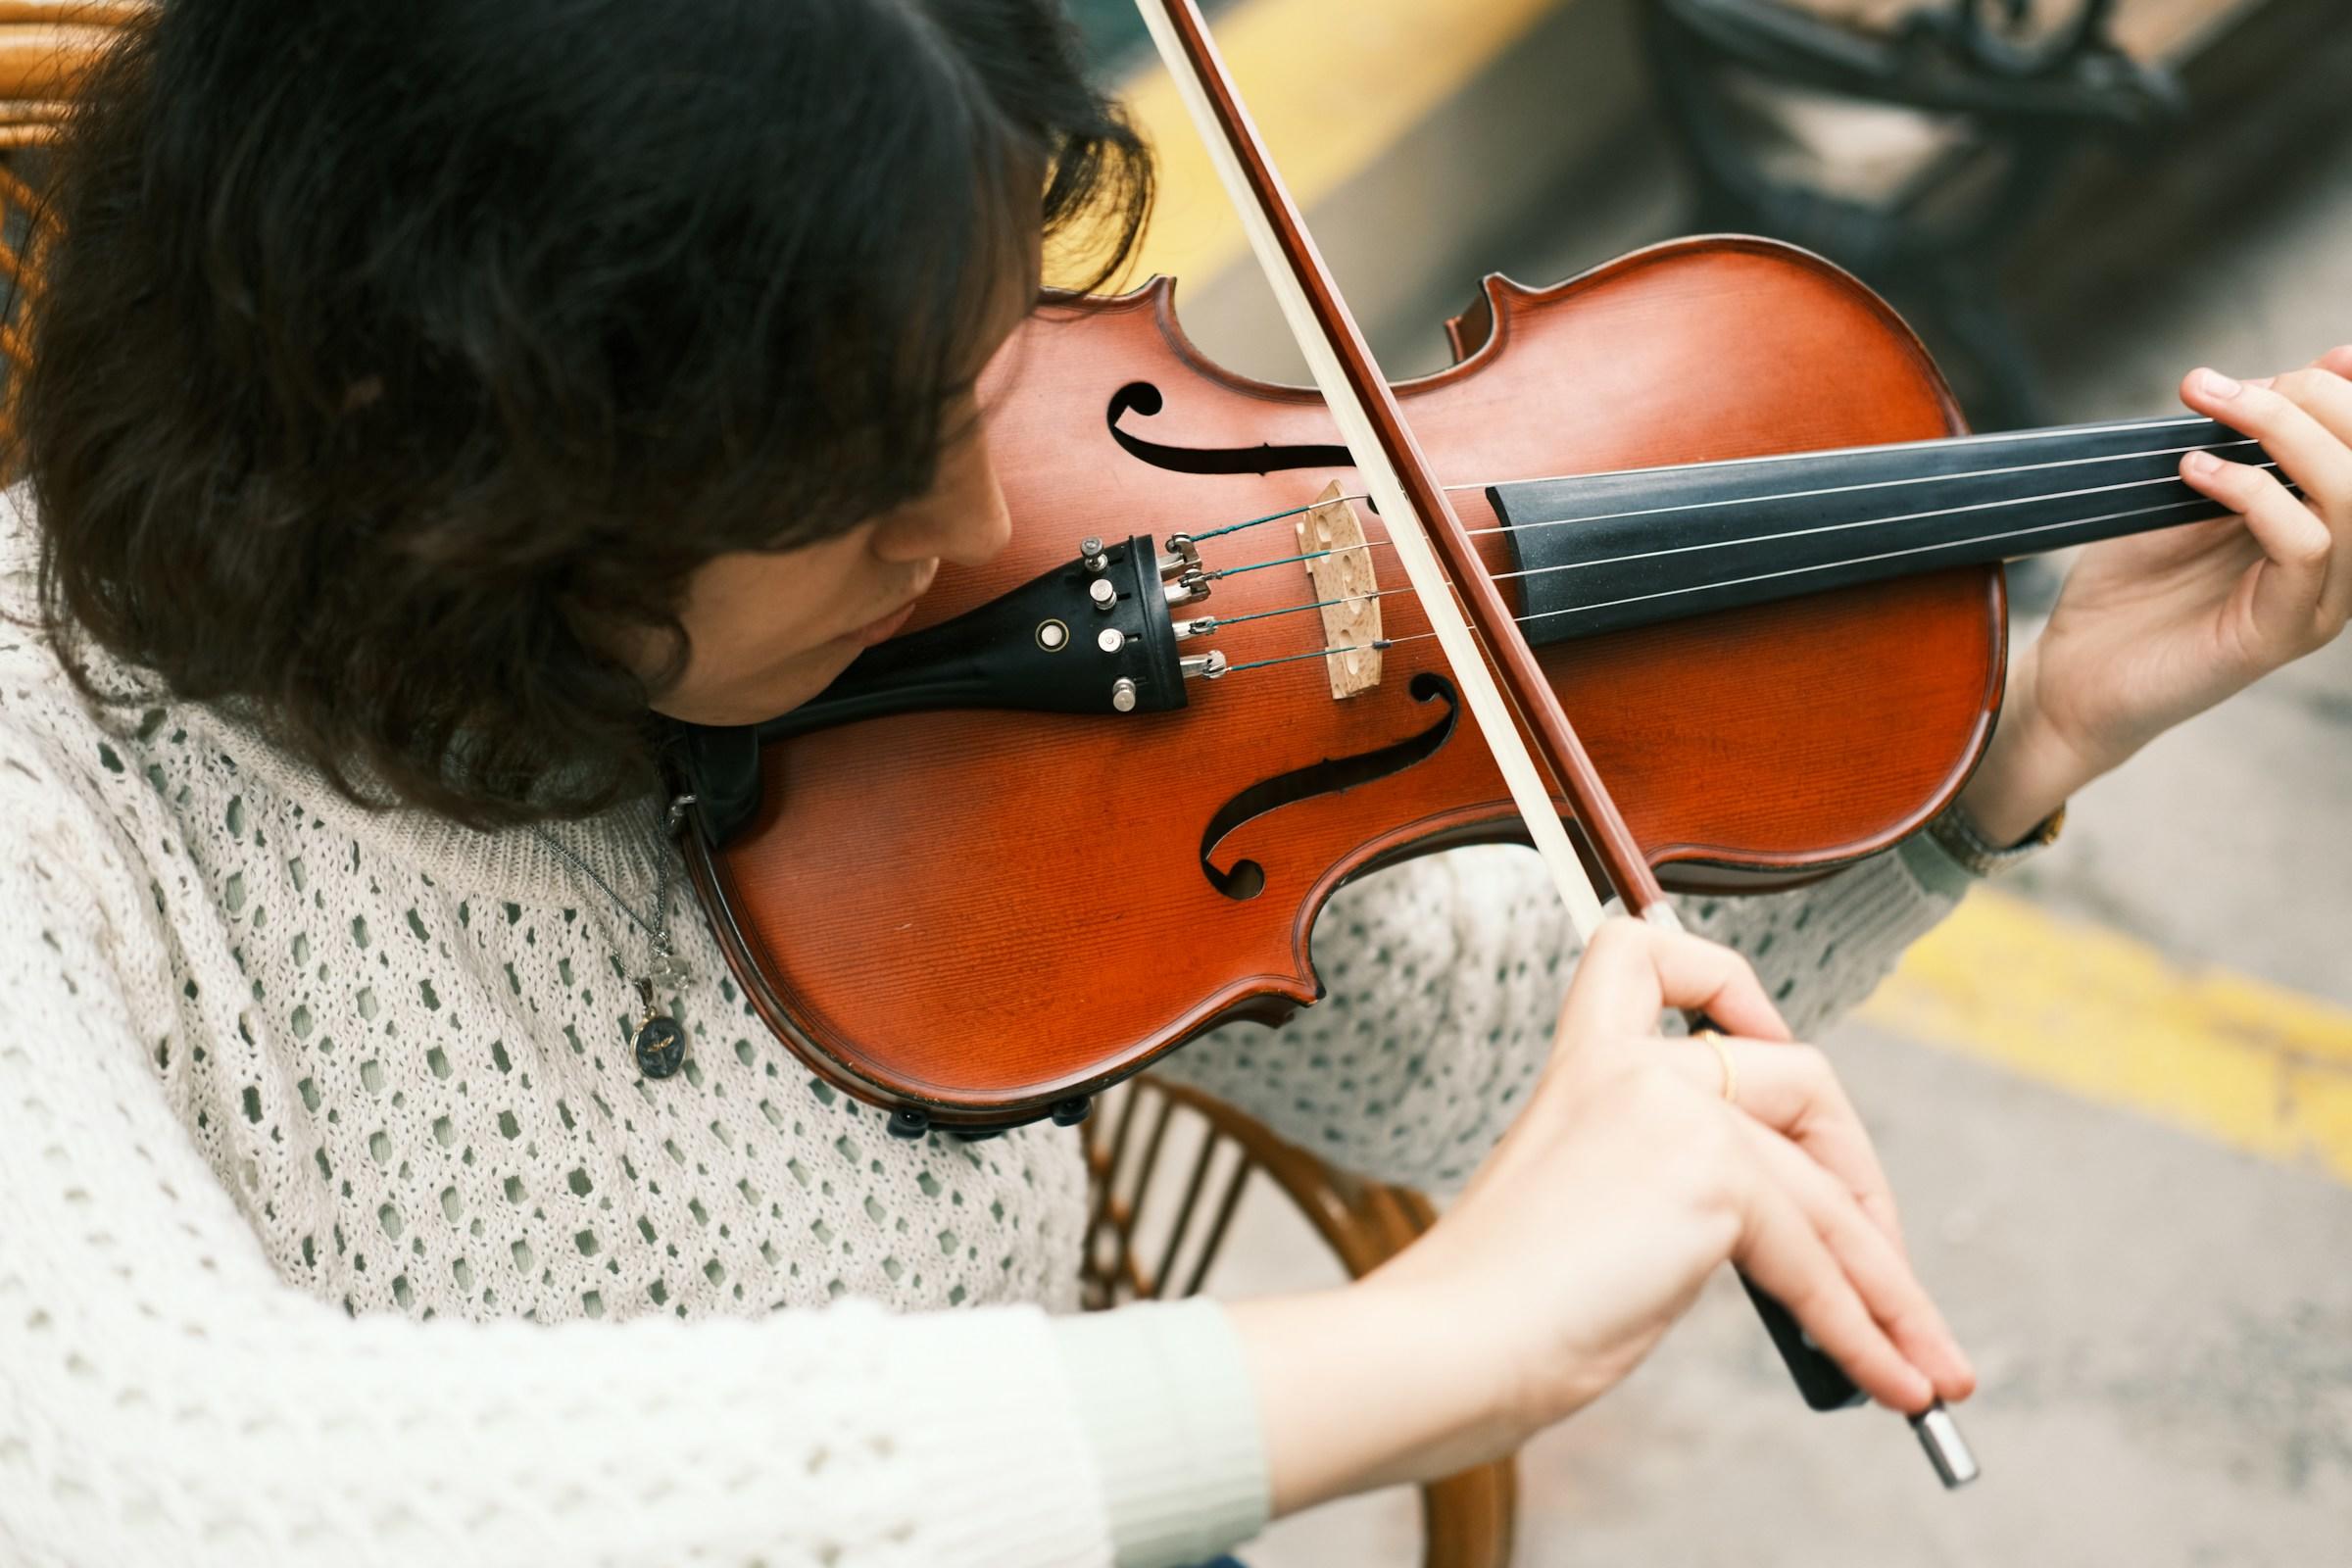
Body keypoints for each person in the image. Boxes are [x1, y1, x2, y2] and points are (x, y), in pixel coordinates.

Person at [2, 3, 2345, 1565]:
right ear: (493, 481)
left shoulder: (949, 565)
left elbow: (1450, 1048)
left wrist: (2006, 752)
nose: (978, 531)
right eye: (857, 482)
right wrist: (1402, 1357)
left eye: (975, 375)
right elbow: (132, 1471)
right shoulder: (57, 777)